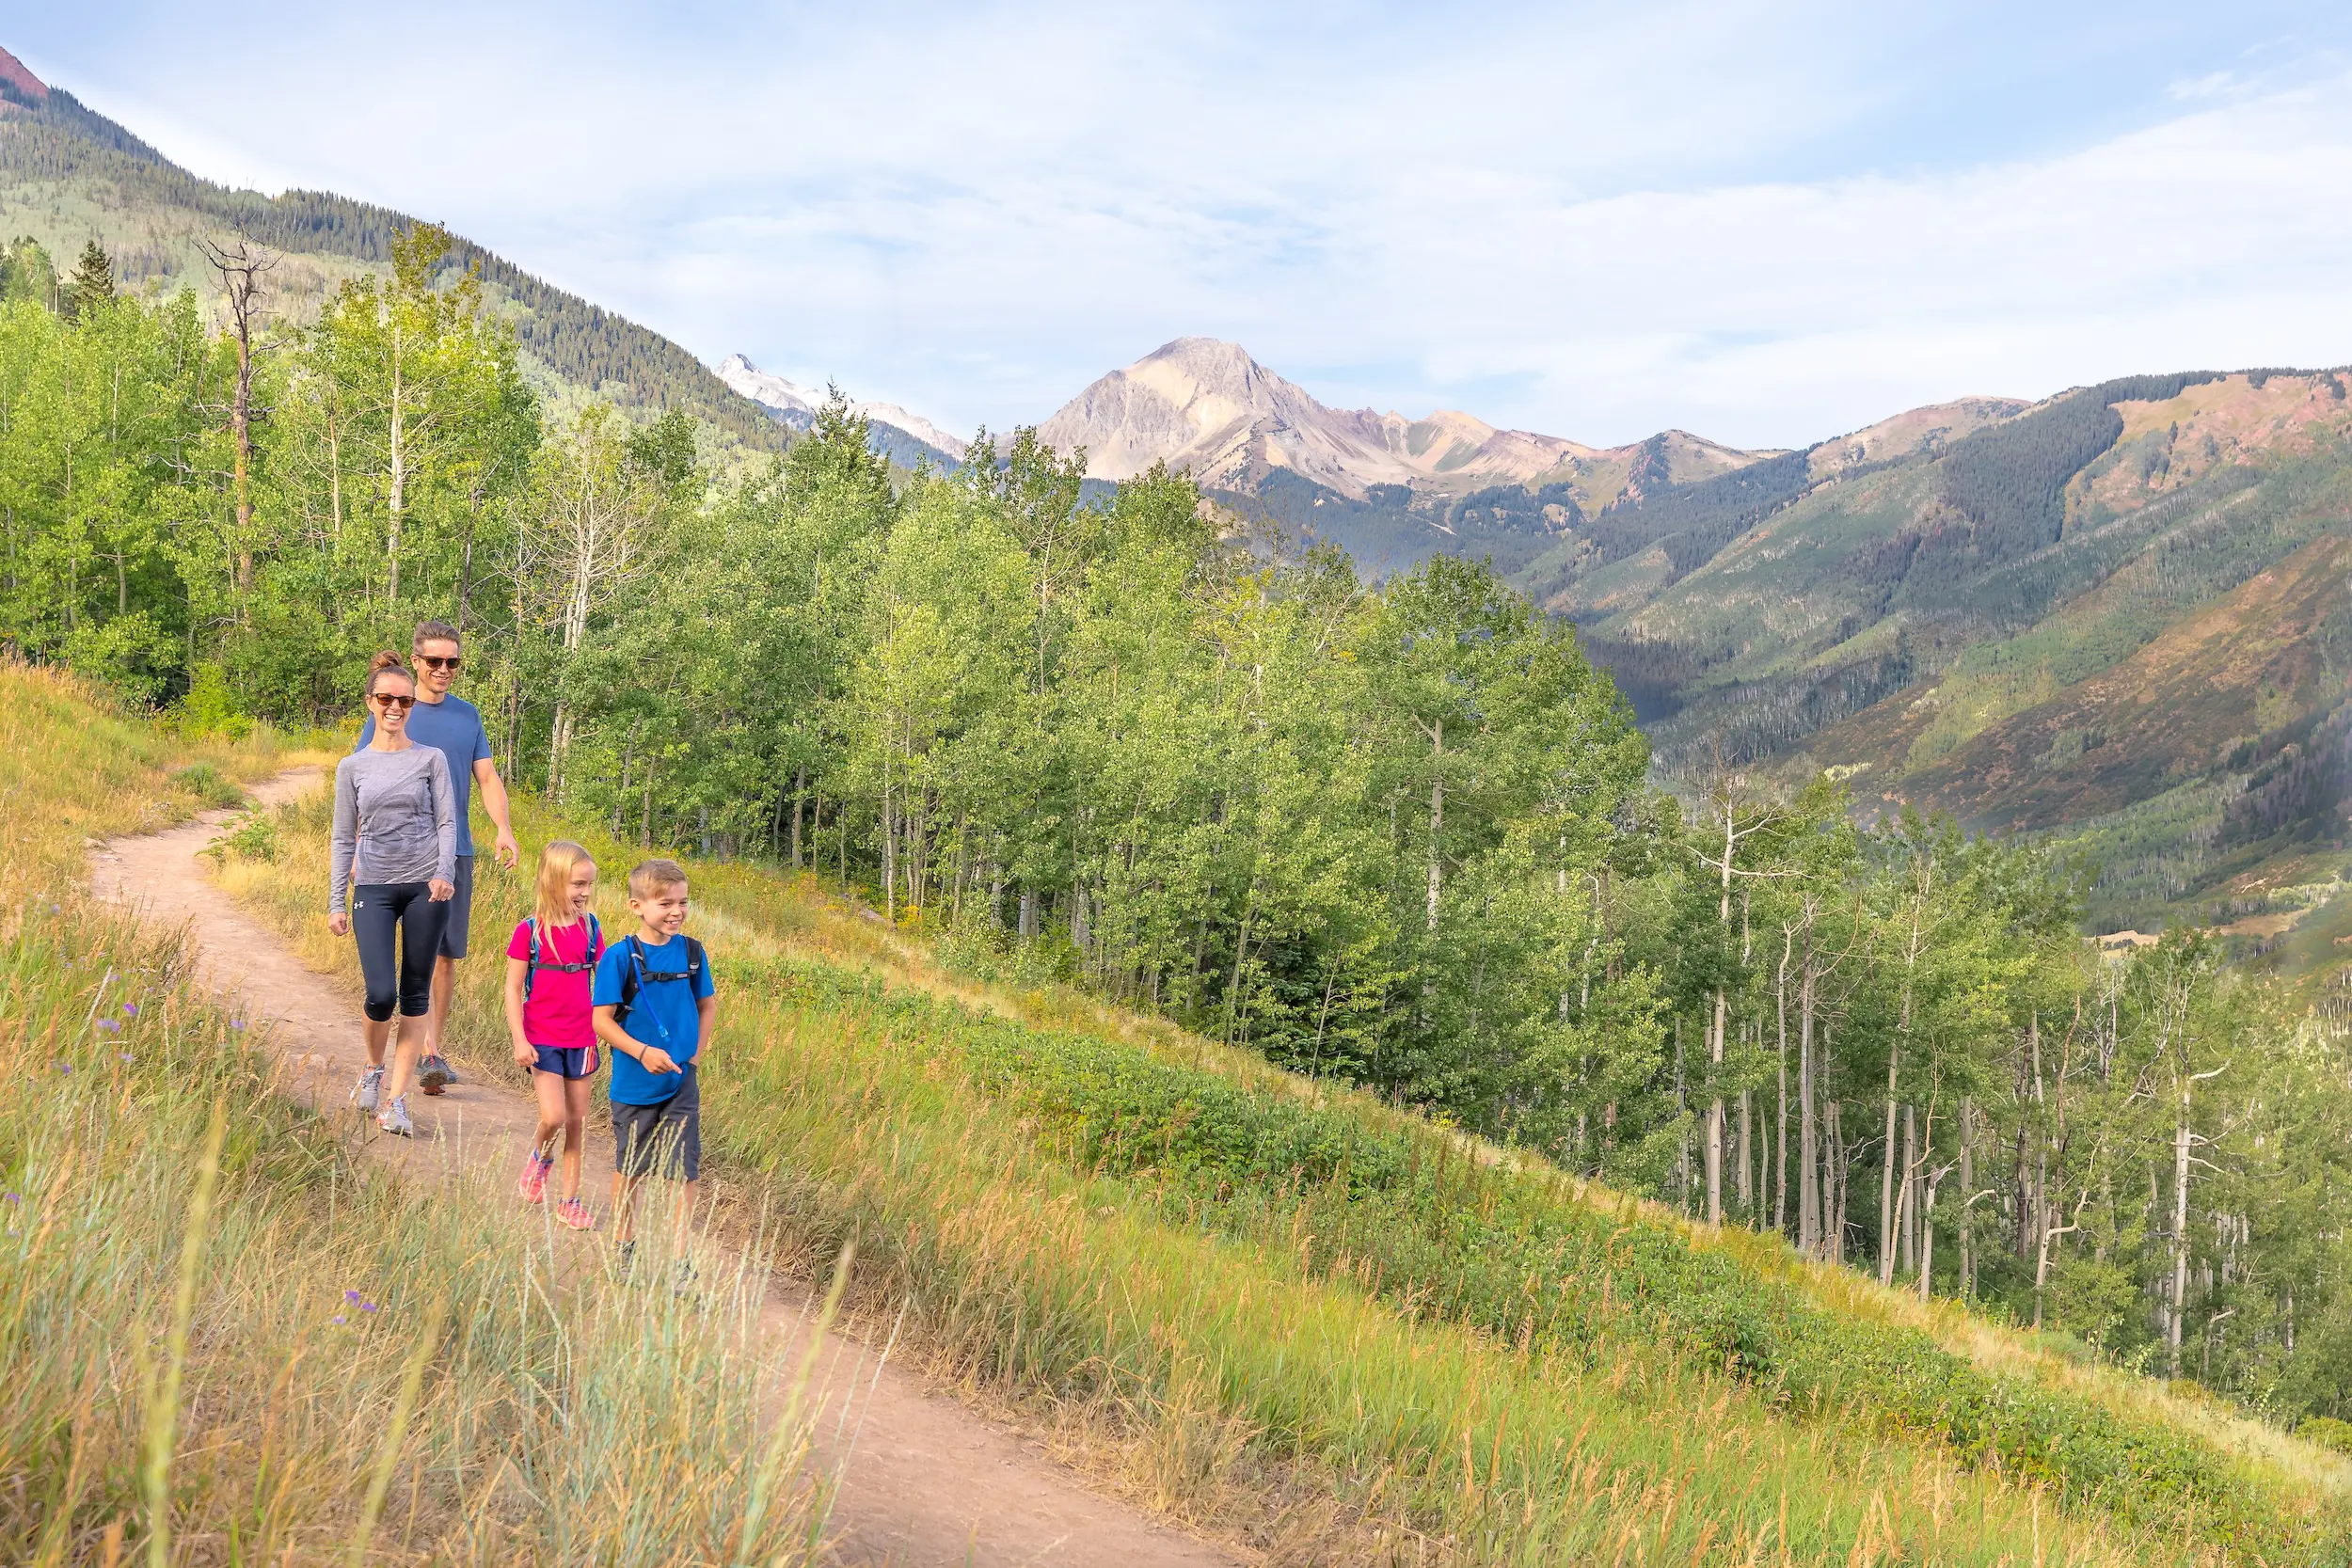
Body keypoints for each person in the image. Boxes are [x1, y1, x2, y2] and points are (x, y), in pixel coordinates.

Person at [357, 619, 518, 1096]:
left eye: (453, 662)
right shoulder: (392, 710)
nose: (444, 669)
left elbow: (487, 778)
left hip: (453, 852)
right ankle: (378, 1062)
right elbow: (363, 779)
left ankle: (431, 1053)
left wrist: (503, 829)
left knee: (445, 955)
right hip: (394, 854)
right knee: (390, 967)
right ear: (417, 661)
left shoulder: (468, 717)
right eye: (435, 661)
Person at [332, 653, 458, 1138]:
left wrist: (444, 872)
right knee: (380, 994)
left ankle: (396, 1101)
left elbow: (448, 821)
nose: (395, 707)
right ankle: (371, 1067)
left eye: (404, 700)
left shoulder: (431, 759)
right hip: (374, 887)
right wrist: (335, 902)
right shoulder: (353, 766)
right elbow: (345, 836)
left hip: (427, 886)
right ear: (370, 703)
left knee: (414, 994)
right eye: (386, 698)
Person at [591, 858, 715, 1260]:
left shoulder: (693, 953)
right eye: (665, 903)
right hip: (633, 1084)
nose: (676, 912)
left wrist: (693, 1059)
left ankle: (680, 1258)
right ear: (636, 906)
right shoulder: (619, 958)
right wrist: (642, 1052)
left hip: (681, 1082)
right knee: (632, 1167)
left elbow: (707, 1006)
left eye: (683, 903)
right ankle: (623, 1246)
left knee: (685, 1171)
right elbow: (600, 1021)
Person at [504, 840, 605, 1229]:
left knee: (578, 1120)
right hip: (542, 1038)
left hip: (582, 1039)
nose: (585, 893)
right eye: (578, 884)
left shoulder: (592, 929)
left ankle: (569, 1201)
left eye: (589, 885)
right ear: (553, 881)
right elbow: (513, 989)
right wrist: (519, 1039)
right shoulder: (529, 933)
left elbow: (608, 983)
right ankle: (539, 1159)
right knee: (554, 1116)